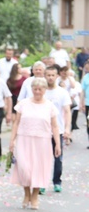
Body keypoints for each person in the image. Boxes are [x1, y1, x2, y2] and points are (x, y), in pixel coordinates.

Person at [9, 78, 61, 210]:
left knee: (38, 169)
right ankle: (26, 193)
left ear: (45, 90)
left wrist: (57, 144)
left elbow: (55, 126)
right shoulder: (23, 104)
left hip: (42, 141)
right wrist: (12, 140)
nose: (37, 92)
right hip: (24, 138)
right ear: (31, 89)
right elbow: (16, 122)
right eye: (35, 89)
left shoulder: (50, 105)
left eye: (40, 89)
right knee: (24, 168)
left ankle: (35, 196)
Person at [43, 65, 72, 193]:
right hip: (42, 131)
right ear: (45, 76)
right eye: (48, 75)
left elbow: (67, 111)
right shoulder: (41, 91)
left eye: (52, 75)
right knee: (43, 158)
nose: (50, 77)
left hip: (57, 130)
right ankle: (42, 182)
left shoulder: (62, 92)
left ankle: (57, 181)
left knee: (58, 157)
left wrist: (67, 128)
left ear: (57, 76)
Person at [82, 61, 89, 145]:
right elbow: (82, 91)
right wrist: (81, 102)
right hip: (88, 103)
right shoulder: (85, 78)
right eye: (86, 68)